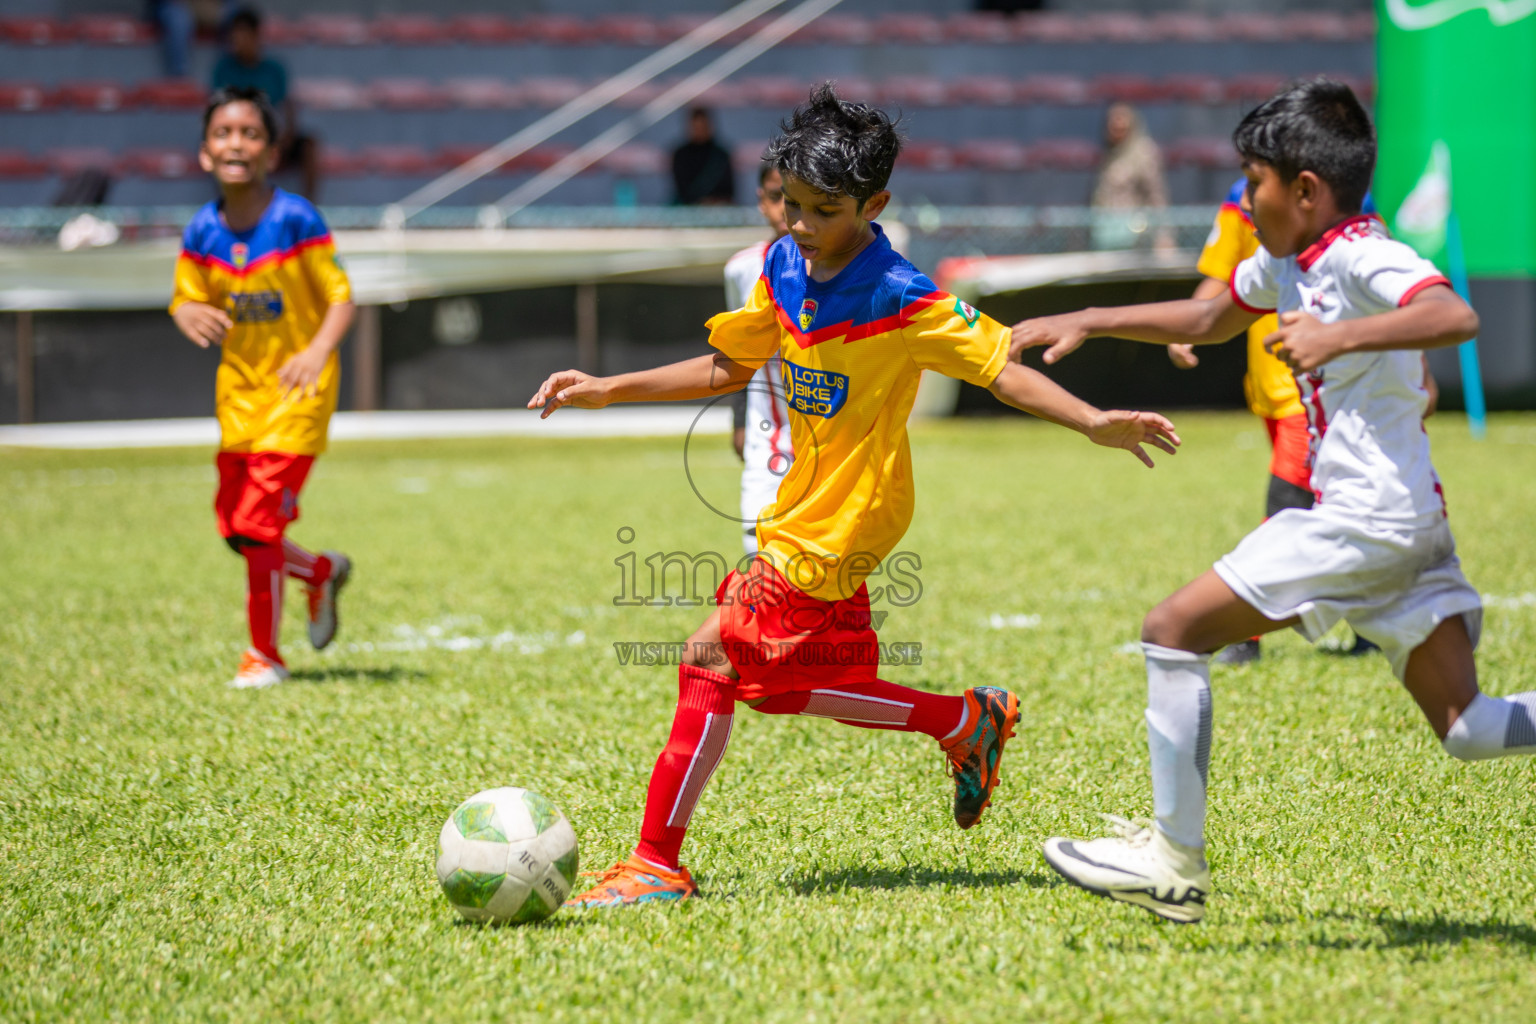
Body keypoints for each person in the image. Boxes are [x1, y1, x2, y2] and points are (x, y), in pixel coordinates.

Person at [529, 84, 1181, 907]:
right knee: (790, 682)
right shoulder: (781, 262)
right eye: (789, 204)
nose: (797, 224)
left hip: (847, 519)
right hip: (802, 507)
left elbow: (1002, 367)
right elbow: (731, 367)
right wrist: (607, 388)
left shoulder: (901, 296)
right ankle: (965, 723)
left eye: (820, 209)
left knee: (710, 657)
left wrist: (1092, 421)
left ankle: (657, 862)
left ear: (875, 203)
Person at [1011, 79, 1529, 924]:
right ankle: (1172, 860)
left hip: (1365, 521)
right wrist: (1094, 316)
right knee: (1469, 727)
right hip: (1404, 527)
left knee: (1171, 629)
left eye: (1253, 182)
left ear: (1306, 191)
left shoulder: (1363, 254)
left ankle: (1173, 864)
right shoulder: (1292, 260)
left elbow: (1453, 313)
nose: (1243, 200)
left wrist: (1338, 335)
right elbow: (1211, 316)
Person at [1169, 182, 1434, 664]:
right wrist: (1184, 329)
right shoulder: (1245, 202)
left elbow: (1404, 300)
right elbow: (1222, 280)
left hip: (1314, 394)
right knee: (1323, 504)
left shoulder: (1352, 217)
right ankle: (1377, 621)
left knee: (1288, 504)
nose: (1249, 202)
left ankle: (1244, 635)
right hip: (1271, 386)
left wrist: (1421, 370)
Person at [169, 86, 355, 689]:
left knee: (256, 526)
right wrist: (185, 313)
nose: (236, 143)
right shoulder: (201, 230)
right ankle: (321, 571)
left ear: (271, 153)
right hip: (239, 399)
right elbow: (185, 296)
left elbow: (340, 297)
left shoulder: (295, 217)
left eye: (250, 133)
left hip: (299, 395)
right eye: (223, 133)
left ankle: (264, 656)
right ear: (204, 153)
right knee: (237, 531)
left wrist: (317, 350)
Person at [725, 164, 794, 555]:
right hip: (768, 436)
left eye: (795, 196)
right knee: (759, 559)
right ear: (760, 201)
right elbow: (736, 355)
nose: (785, 207)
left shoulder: (846, 269)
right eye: (775, 195)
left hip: (831, 440)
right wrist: (738, 422)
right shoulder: (742, 269)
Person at [211, 7, 319, 200]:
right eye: (234, 36)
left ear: (255, 35)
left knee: (309, 145)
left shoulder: (275, 69)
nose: (237, 42)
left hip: (274, 136)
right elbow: (217, 112)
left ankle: (310, 205)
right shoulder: (223, 69)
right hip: (243, 137)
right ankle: (231, 203)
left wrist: (287, 135)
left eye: (242, 35)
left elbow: (287, 105)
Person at [1090, 103, 1171, 251]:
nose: (1116, 130)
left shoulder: (1144, 153)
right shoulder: (1109, 154)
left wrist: (1163, 236)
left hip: (1133, 236)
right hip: (1106, 233)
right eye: (1113, 126)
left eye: (1121, 127)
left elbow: (1156, 195)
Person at [671, 107, 736, 206]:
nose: (700, 131)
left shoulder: (721, 155)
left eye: (703, 127)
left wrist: (714, 202)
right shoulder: (680, 155)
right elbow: (681, 188)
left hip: (718, 209)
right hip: (689, 209)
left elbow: (729, 189)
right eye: (696, 128)